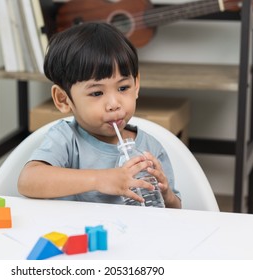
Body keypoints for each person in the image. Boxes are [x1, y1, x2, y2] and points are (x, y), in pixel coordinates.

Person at [18, 22, 181, 208]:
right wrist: (101, 179)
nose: (114, 104)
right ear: (63, 99)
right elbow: (28, 180)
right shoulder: (66, 139)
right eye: (97, 93)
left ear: (136, 85)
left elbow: (176, 211)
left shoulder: (150, 148)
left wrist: (166, 194)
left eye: (123, 88)